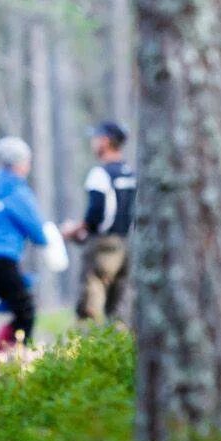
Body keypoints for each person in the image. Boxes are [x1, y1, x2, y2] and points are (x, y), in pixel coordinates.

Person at [0, 136, 58, 372]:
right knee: (27, 314)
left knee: (21, 308)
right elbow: (38, 233)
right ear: (20, 164)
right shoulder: (16, 190)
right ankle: (5, 364)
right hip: (2, 263)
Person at [61, 120, 136, 324]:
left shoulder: (100, 174)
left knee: (89, 305)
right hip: (126, 245)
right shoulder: (130, 173)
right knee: (118, 307)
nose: (93, 143)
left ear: (105, 141)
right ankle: (118, 350)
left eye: (95, 139)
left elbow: (95, 213)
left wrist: (73, 230)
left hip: (102, 246)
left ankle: (86, 350)